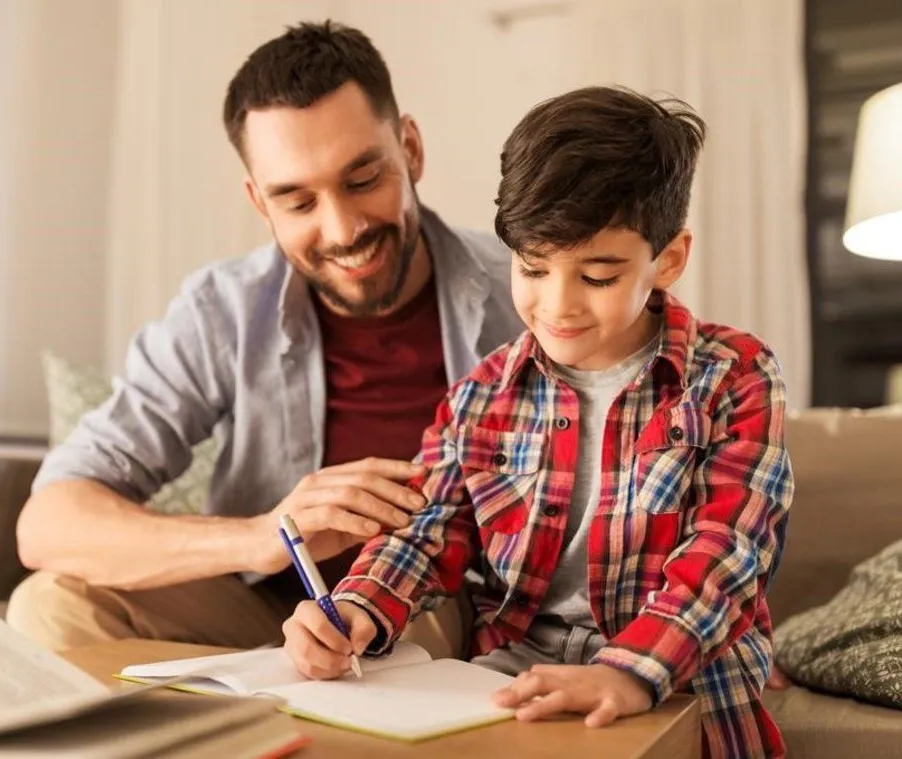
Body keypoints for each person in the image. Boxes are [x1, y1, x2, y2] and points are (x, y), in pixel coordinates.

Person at [282, 86, 794, 758]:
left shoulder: (736, 375)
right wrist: (355, 609)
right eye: (532, 267)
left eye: (598, 276)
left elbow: (727, 552)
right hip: (512, 679)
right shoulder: (482, 395)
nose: (558, 305)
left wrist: (628, 671)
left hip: (680, 677)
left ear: (667, 259)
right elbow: (428, 533)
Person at [5, 21, 522, 655]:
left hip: (438, 610)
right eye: (298, 202)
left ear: (410, 149)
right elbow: (50, 523)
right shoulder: (222, 311)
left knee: (423, 627)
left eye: (362, 180)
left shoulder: (531, 292)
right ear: (259, 201)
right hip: (268, 614)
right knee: (51, 605)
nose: (342, 229)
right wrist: (266, 536)